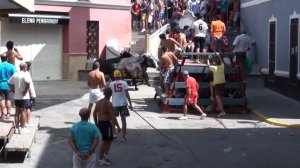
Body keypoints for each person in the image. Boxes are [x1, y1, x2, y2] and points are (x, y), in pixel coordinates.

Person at [93, 87, 121, 166]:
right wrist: (118, 126)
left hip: (101, 123)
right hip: (106, 124)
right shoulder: (109, 104)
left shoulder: (99, 102)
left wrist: (96, 123)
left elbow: (94, 113)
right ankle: (101, 159)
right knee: (105, 141)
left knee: (109, 140)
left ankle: (105, 154)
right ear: (111, 94)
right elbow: (113, 117)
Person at [109, 70, 132, 142]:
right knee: (123, 120)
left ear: (114, 76)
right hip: (123, 104)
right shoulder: (124, 83)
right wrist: (130, 104)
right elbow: (127, 94)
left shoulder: (111, 84)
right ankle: (123, 137)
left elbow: (109, 94)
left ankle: (114, 134)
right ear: (120, 76)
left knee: (113, 120)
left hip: (114, 104)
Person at [8, 63, 31, 134]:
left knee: (17, 111)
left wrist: (12, 90)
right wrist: (25, 90)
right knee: (23, 111)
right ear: (25, 67)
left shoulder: (15, 74)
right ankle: (23, 128)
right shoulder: (25, 74)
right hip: (24, 97)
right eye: (26, 67)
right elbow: (28, 82)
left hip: (16, 96)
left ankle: (17, 128)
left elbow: (9, 82)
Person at [208, 53, 226, 117]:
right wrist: (218, 55)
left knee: (218, 98)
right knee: (211, 83)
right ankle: (212, 96)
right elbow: (221, 61)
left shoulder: (214, 68)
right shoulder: (222, 66)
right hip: (223, 83)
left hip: (217, 84)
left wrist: (208, 60)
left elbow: (208, 66)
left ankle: (222, 111)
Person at [0, 53, 16, 120]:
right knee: (8, 100)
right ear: (7, 58)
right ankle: (8, 114)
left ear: (1, 59)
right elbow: (15, 76)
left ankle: (3, 114)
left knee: (1, 100)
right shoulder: (11, 66)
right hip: (9, 85)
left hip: (0, 85)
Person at [25, 62, 36, 126]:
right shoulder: (27, 74)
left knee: (23, 109)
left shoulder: (21, 73)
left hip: (23, 94)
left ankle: (24, 122)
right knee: (28, 108)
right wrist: (32, 95)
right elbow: (29, 86)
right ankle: (27, 122)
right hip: (28, 94)